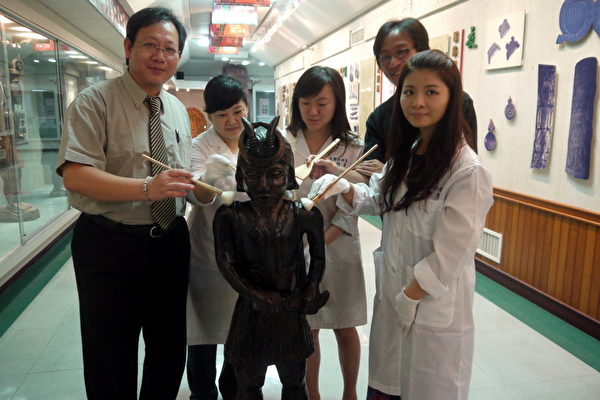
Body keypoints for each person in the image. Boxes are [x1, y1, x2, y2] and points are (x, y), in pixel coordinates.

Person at [309, 50, 493, 400]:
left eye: (431, 91)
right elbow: (379, 199)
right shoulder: (407, 153)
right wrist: (343, 186)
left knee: (426, 388)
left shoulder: (466, 171)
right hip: (395, 300)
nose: (417, 101)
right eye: (409, 91)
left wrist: (410, 297)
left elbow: (452, 254)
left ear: (452, 97)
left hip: (429, 306)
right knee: (388, 384)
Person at [56, 7, 214, 399]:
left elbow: (173, 175)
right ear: (128, 47)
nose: (160, 56)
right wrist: (146, 188)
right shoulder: (95, 102)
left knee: (168, 349)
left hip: (169, 242)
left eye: (170, 49)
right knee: (110, 354)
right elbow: (76, 175)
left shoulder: (176, 109)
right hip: (110, 244)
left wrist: (200, 187)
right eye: (150, 45)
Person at [213, 117, 329, 400]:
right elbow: (226, 263)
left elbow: (318, 258)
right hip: (251, 312)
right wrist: (255, 294)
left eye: (274, 174)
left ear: (288, 174)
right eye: (253, 174)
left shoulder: (303, 214)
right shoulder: (230, 217)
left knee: (295, 382)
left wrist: (311, 287)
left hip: (290, 312)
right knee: (248, 385)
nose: (263, 185)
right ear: (241, 175)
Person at [284, 66, 366, 400]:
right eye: (305, 104)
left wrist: (321, 241)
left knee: (345, 326)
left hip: (339, 245)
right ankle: (312, 395)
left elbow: (355, 202)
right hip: (296, 248)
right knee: (309, 328)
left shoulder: (352, 147)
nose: (313, 111)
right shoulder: (285, 141)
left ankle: (350, 393)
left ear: (337, 103)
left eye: (322, 103)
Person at [186, 74, 249, 400]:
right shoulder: (199, 146)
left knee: (241, 330)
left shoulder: (258, 142)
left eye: (238, 112)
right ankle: (202, 392)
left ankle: (232, 388)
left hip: (249, 256)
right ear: (209, 116)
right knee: (204, 333)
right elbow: (196, 197)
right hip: (208, 253)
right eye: (222, 115)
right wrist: (208, 178)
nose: (231, 121)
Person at [355, 18, 478, 182]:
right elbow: (367, 176)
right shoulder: (379, 117)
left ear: (422, 51)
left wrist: (390, 172)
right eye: (385, 57)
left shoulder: (458, 102)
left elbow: (462, 168)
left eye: (402, 52)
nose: (393, 63)